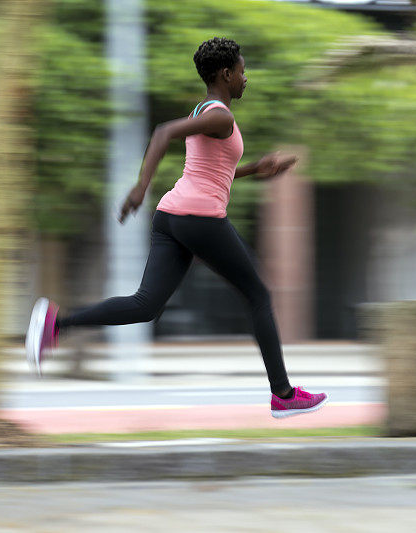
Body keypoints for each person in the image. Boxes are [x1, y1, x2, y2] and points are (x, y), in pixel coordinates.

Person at [25, 37, 327, 418]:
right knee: (259, 295)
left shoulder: (206, 110)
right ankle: (283, 394)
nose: (245, 78)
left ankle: (57, 323)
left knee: (145, 305)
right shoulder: (221, 116)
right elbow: (163, 133)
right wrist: (139, 187)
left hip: (171, 218)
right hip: (199, 219)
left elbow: (214, 170)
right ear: (225, 73)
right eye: (242, 71)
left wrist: (256, 169)